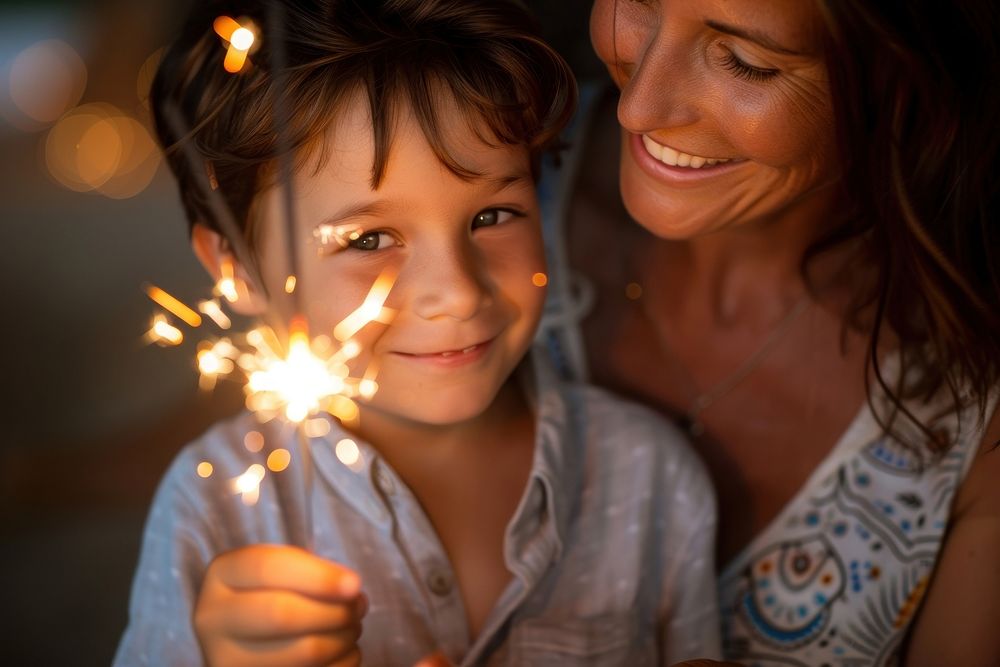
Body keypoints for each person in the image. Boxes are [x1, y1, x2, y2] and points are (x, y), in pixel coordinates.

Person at [115, 1, 722, 665]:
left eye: (494, 214)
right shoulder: (214, 509)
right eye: (370, 239)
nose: (458, 291)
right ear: (235, 268)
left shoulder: (650, 477)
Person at [536, 0, 1000, 664]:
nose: (637, 105)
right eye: (638, 2)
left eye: (745, 62)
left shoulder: (978, 407)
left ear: (900, 80)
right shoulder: (471, 182)